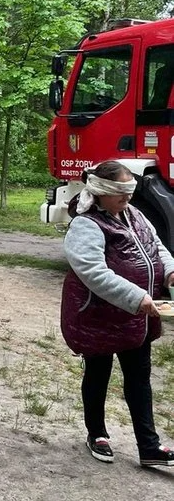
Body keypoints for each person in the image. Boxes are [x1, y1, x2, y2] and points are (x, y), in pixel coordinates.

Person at [61, 160, 174, 468]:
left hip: (137, 315)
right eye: (121, 193)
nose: (128, 198)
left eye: (130, 191)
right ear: (100, 192)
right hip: (98, 316)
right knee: (98, 374)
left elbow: (156, 246)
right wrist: (137, 296)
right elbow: (93, 273)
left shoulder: (133, 214)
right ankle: (97, 434)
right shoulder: (86, 224)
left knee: (139, 378)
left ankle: (149, 447)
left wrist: (170, 271)